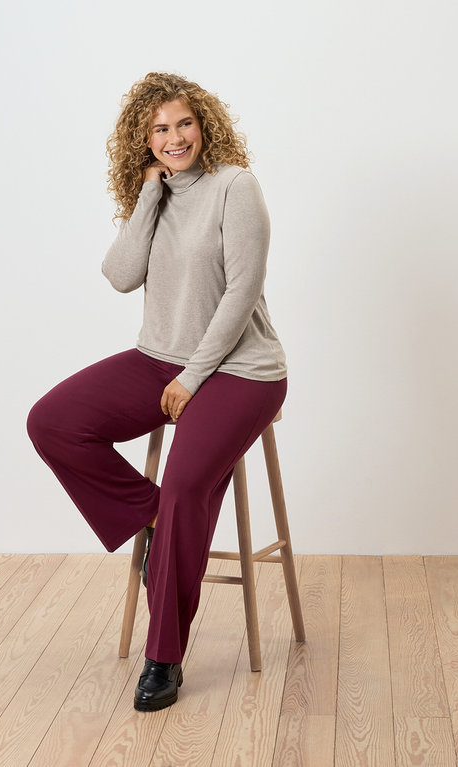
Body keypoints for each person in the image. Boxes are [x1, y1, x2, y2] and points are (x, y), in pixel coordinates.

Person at [26, 72, 287, 712]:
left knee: (186, 484)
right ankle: (155, 516)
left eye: (184, 123)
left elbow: (242, 291)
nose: (175, 138)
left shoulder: (235, 186)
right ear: (144, 141)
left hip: (241, 369)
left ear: (205, 125)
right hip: (157, 358)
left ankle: (163, 656)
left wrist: (192, 377)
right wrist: (148, 193)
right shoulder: (158, 194)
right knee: (52, 421)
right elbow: (120, 276)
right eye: (160, 129)